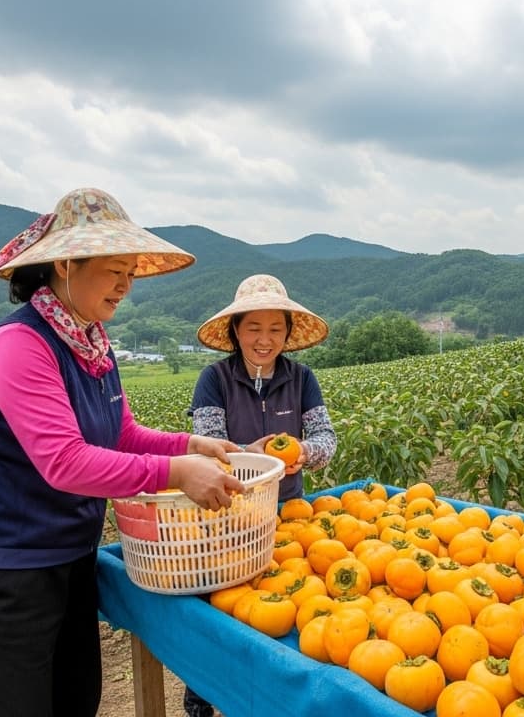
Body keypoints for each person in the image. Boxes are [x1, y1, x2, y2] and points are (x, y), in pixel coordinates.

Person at [0, 188, 244, 717]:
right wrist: (177, 470)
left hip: (69, 558)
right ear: (64, 264)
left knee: (74, 702)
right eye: (113, 270)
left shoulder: (91, 343)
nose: (126, 285)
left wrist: (191, 444)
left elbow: (120, 434)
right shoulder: (20, 345)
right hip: (7, 571)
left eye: (130, 271)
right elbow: (65, 462)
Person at [182, 274, 337, 717]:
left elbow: (326, 439)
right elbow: (209, 449)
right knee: (222, 611)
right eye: (253, 327)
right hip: (227, 515)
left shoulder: (302, 379)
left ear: (289, 333)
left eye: (275, 329)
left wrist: (302, 453)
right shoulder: (214, 379)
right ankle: (200, 695)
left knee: (275, 609)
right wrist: (254, 455)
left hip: (288, 513)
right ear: (235, 331)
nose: (264, 339)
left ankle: (266, 699)